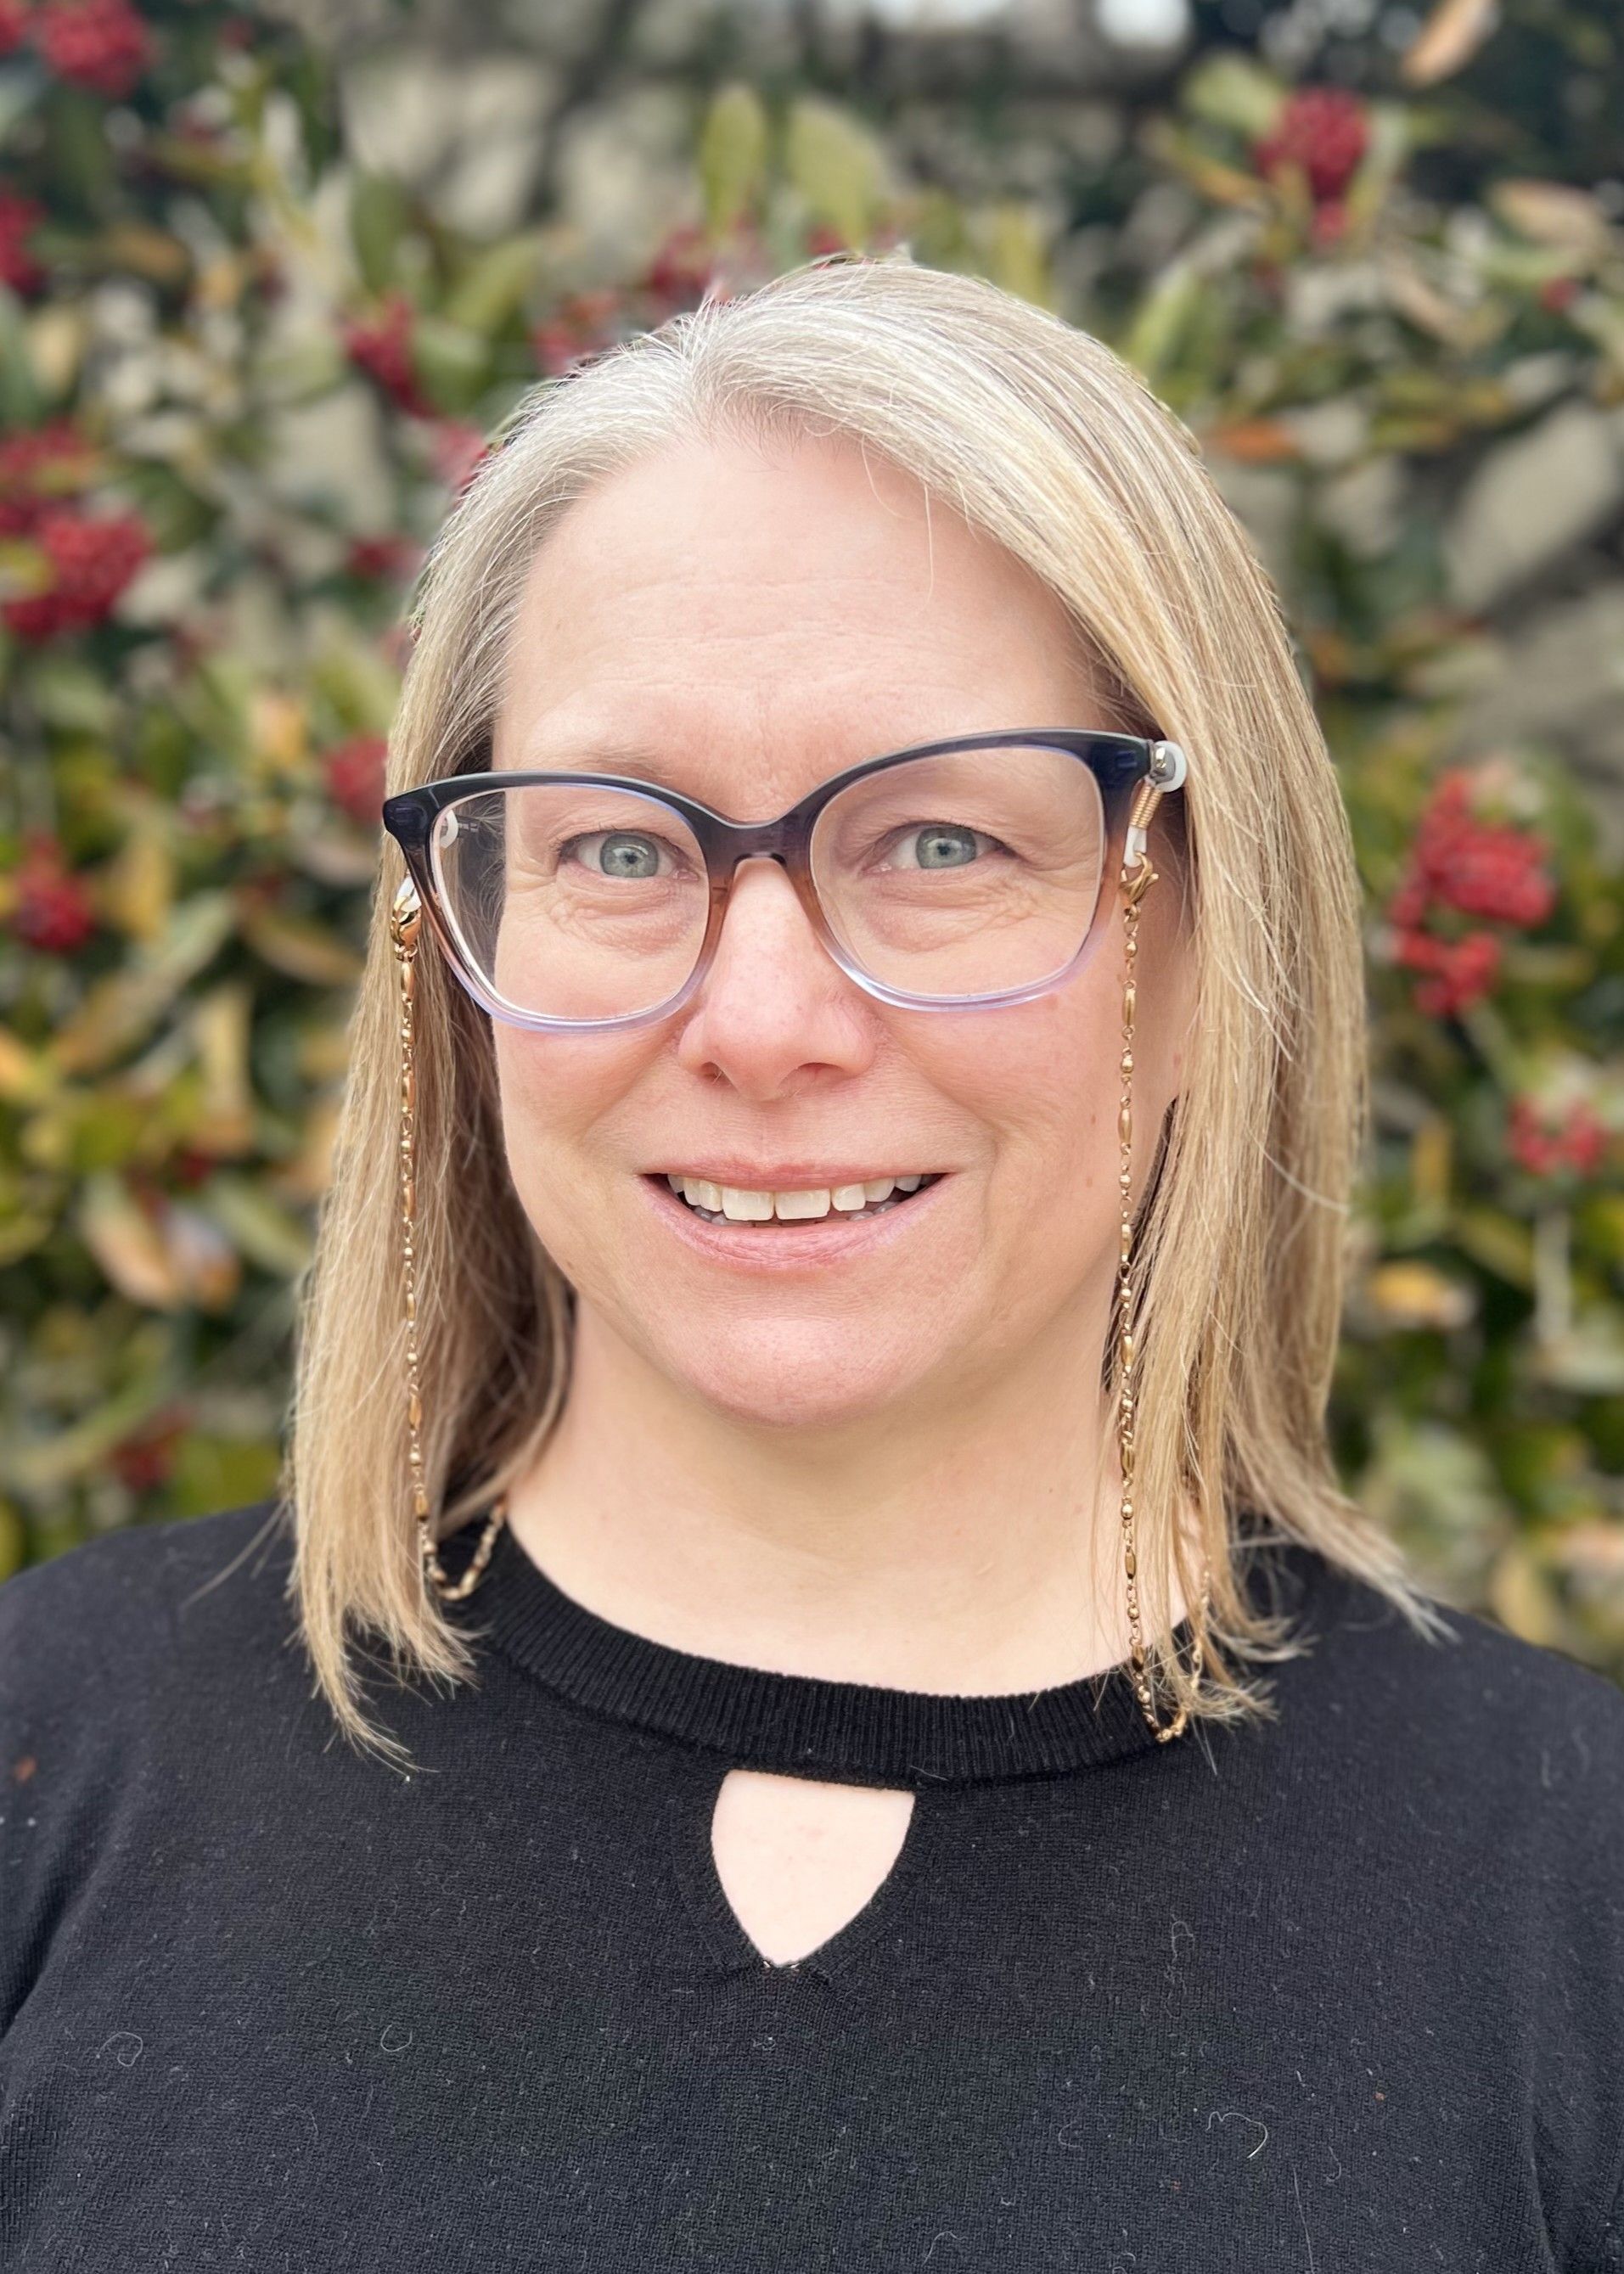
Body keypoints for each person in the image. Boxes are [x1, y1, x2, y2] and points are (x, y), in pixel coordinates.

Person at [3, 253, 1621, 2271]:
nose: (761, 1023)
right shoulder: (57, 1756)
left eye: (942, 842)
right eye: (616, 845)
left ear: (1212, 939)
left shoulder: (1568, 1898)